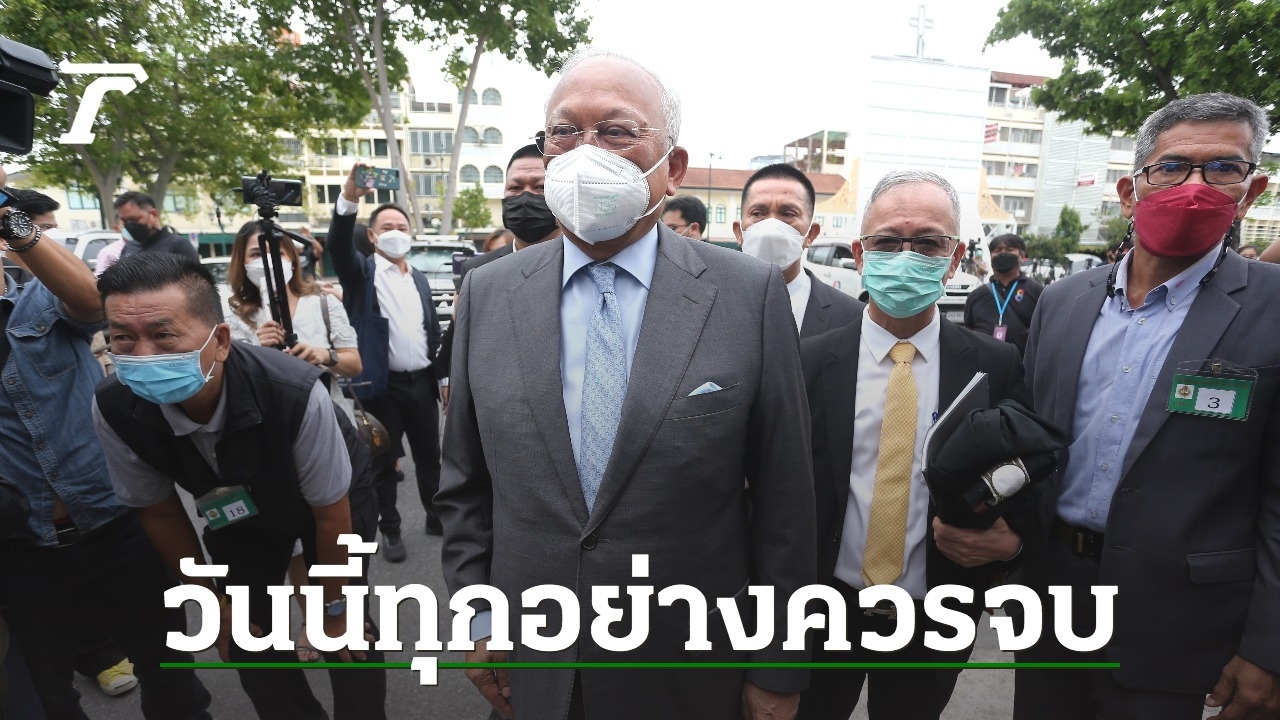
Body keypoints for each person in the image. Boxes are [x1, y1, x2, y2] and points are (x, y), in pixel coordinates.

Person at [436, 48, 816, 720]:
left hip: (687, 665)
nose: (586, 151)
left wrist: (778, 667)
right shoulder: (488, 292)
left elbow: (785, 500)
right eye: (564, 132)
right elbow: (465, 485)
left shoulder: (747, 294)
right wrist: (478, 618)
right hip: (531, 662)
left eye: (615, 131)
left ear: (673, 166)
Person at [1017, 92, 1280, 720]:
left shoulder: (1272, 308)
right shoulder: (1062, 302)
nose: (1195, 187)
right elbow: (1031, 440)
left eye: (1223, 168)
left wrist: (1268, 645)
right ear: (1130, 191)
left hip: (1183, 618)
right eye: (1173, 167)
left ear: (1251, 191)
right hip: (1054, 596)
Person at [92, 252, 387, 720]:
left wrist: (332, 606)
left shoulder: (294, 392)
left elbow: (332, 516)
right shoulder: (115, 406)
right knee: (246, 637)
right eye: (123, 338)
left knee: (346, 628)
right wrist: (213, 602)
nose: (142, 355)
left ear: (222, 340)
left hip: (333, 503)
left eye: (164, 335)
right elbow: (159, 511)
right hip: (234, 509)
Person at [796, 170, 1031, 720]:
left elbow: (1022, 473)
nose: (906, 257)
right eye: (886, 242)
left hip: (937, 613)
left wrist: (1011, 542)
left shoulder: (995, 365)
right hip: (821, 607)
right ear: (860, 254)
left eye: (927, 243)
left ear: (954, 258)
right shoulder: (806, 360)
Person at [0, 170, 211, 720]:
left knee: (169, 670)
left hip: (115, 522)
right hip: (23, 549)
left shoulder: (37, 301)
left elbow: (92, 302)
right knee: (47, 693)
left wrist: (6, 210)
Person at [327, 164, 444, 561]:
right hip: (382, 387)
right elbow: (338, 245)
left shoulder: (420, 279)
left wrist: (441, 379)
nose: (396, 232)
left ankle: (435, 516)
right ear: (373, 236)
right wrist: (350, 199)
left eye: (402, 227)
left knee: (430, 459)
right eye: (387, 226)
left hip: (422, 384)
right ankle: (390, 529)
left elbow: (431, 331)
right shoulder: (362, 274)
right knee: (382, 463)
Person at [436, 143, 563, 390]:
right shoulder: (477, 272)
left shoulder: (589, 263)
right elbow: (460, 348)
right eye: (515, 188)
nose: (525, 197)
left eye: (540, 187)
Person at [225, 220, 362, 418]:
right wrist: (259, 351)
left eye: (278, 252)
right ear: (242, 262)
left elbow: (354, 365)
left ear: (292, 258)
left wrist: (323, 355)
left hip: (328, 416)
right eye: (256, 254)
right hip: (272, 420)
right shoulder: (235, 318)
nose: (268, 260)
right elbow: (232, 382)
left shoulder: (323, 305)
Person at [734, 163, 862, 337]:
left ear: (811, 234)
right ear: (738, 232)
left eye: (788, 214)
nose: (772, 227)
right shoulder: (707, 306)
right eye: (758, 213)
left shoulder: (852, 317)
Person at [962, 233, 1043, 355]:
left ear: (1022, 256)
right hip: (984, 363)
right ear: (991, 256)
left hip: (1023, 364)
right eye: (997, 250)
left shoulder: (1037, 291)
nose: (1003, 253)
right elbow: (968, 332)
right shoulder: (976, 295)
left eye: (1010, 250)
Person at [113, 190, 199, 261]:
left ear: (153, 214)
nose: (129, 225)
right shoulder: (128, 248)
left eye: (134, 219)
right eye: (125, 221)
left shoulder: (179, 246)